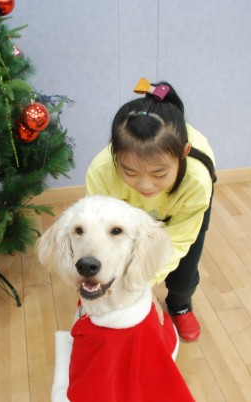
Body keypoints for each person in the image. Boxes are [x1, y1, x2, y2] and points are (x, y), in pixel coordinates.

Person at [85, 78, 216, 342]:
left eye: (159, 173)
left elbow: (178, 240)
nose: (145, 185)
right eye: (130, 171)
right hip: (127, 221)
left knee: (184, 273)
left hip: (178, 217)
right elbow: (98, 232)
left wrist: (142, 282)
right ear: (115, 155)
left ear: (183, 153)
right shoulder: (101, 172)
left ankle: (180, 303)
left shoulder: (197, 181)